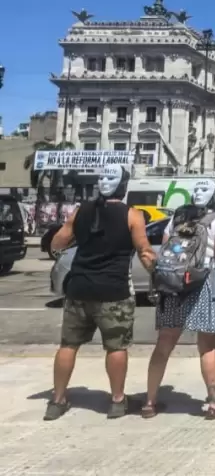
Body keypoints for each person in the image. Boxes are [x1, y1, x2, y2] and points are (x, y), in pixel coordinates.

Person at [45, 164, 157, 421]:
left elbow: (57, 243)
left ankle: (57, 400)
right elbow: (144, 251)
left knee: (69, 344)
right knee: (116, 346)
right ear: (124, 185)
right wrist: (156, 271)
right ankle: (117, 401)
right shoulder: (133, 215)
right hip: (114, 292)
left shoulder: (80, 211)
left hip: (78, 288)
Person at [142, 179, 215, 419]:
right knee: (207, 345)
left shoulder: (177, 219)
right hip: (203, 284)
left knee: (164, 343)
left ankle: (149, 402)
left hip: (172, 285)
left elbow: (166, 250)